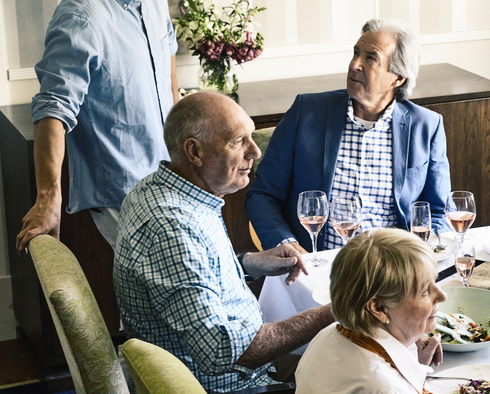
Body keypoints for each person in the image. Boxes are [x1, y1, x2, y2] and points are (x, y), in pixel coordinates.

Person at [114, 92, 336, 392]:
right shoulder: (172, 226)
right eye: (238, 141)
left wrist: (249, 262)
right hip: (231, 386)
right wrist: (335, 311)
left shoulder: (161, 191)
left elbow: (193, 271)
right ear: (194, 151)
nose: (255, 151)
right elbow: (222, 350)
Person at [17, 0, 193, 253]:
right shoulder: (80, 15)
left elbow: (168, 71)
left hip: (170, 179)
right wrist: (47, 197)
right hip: (123, 196)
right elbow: (53, 108)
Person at [247, 18, 451, 256]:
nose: (355, 64)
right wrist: (284, 242)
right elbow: (263, 194)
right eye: (356, 53)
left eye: (370, 58)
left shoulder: (426, 126)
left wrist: (423, 252)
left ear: (397, 78)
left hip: (394, 268)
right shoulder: (307, 112)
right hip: (317, 263)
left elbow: (438, 212)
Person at [295, 229, 445, 393]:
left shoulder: (329, 333)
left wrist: (413, 359)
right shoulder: (384, 386)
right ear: (378, 308)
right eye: (424, 291)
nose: (442, 296)